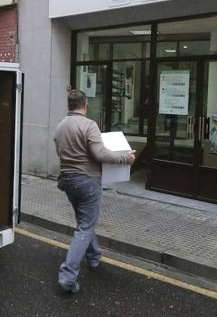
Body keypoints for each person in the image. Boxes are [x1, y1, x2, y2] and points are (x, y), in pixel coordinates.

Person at [53, 90, 135, 293]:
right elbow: (100, 154)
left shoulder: (60, 127)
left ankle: (94, 258)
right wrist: (126, 159)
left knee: (85, 223)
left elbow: (61, 153)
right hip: (88, 181)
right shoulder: (89, 125)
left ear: (69, 105)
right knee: (84, 228)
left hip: (69, 182)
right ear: (85, 104)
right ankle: (67, 277)